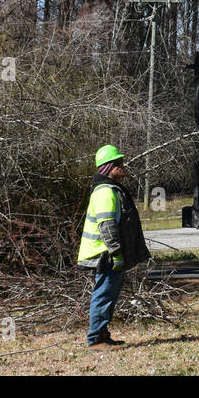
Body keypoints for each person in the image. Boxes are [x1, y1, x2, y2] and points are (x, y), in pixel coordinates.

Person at [77, 144, 150, 349]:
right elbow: (107, 227)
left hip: (108, 253)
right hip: (105, 254)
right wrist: (116, 254)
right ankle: (96, 340)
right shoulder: (105, 192)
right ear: (107, 167)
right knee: (103, 295)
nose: (123, 165)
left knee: (108, 295)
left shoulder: (111, 189)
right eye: (118, 163)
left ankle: (102, 335)